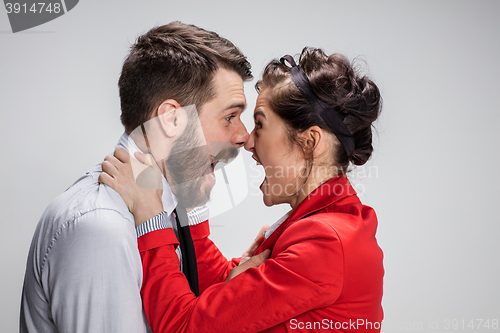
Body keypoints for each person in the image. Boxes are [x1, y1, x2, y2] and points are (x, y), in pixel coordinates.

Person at [100, 47, 385, 332]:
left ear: (310, 143)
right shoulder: (324, 223)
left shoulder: (325, 244)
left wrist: (151, 217)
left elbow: (185, 325)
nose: (247, 141)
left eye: (259, 124)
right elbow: (226, 307)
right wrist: (189, 194)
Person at [20, 21, 256, 333]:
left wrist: (235, 287)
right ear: (171, 119)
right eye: (229, 116)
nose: (243, 136)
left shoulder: (166, 208)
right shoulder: (102, 227)